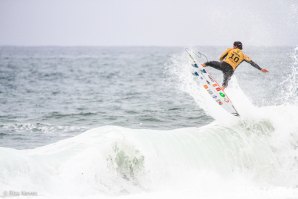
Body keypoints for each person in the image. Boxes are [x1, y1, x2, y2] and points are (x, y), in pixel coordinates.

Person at [202, 41, 269, 90]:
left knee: (210, 63)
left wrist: (222, 61)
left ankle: (202, 65)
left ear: (236, 46)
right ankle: (222, 88)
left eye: (233, 45)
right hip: (230, 70)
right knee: (226, 81)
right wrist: (261, 69)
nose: (233, 46)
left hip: (224, 65)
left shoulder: (231, 49)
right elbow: (252, 63)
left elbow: (221, 58)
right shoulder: (243, 55)